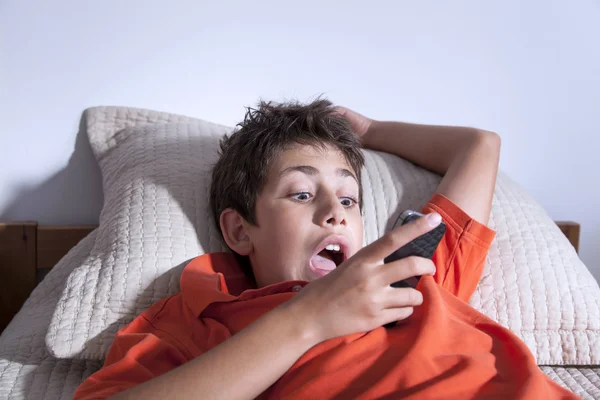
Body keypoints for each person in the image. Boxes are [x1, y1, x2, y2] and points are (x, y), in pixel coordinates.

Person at [74, 99, 577, 399]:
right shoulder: (200, 316)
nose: (336, 211)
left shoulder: (410, 272)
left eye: (350, 198)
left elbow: (479, 146)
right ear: (239, 231)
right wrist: (307, 320)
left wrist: (372, 132)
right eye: (301, 193)